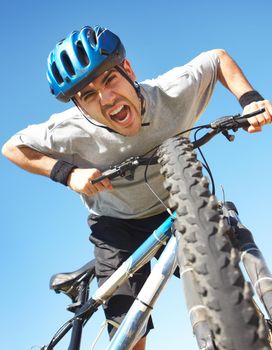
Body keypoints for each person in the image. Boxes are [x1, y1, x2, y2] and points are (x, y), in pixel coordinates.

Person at [2, 25, 272, 350]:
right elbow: (12, 147)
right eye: (88, 95)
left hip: (181, 202)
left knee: (229, 237)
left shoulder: (171, 92)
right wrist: (66, 173)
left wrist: (250, 99)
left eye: (109, 79)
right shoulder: (70, 130)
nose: (106, 98)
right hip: (117, 226)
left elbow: (216, 59)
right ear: (78, 107)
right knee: (129, 334)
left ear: (128, 70)